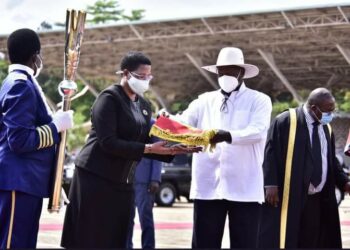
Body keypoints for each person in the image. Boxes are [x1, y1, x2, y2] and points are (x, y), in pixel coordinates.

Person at [61, 51, 201, 248]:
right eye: (141, 76)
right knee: (90, 235)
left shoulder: (143, 105)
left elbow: (145, 140)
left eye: (148, 76)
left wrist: (174, 148)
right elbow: (108, 142)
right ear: (125, 74)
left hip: (123, 179)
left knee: (119, 235)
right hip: (95, 176)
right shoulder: (108, 99)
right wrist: (150, 147)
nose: (145, 81)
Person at [168, 47, 272, 248]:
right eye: (222, 71)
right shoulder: (204, 100)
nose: (226, 75)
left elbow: (257, 131)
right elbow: (183, 124)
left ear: (241, 72)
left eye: (231, 70)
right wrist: (164, 122)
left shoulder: (258, 100)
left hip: (244, 187)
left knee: (245, 243)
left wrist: (227, 135)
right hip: (208, 186)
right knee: (204, 243)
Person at [0, 28, 74, 248]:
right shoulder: (21, 85)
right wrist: (55, 126)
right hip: (18, 180)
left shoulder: (17, 82)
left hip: (25, 181)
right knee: (13, 244)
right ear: (35, 56)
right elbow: (19, 139)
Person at [258, 88, 350, 248]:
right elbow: (271, 152)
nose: (331, 114)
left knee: (312, 240)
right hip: (291, 196)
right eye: (328, 110)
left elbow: (330, 160)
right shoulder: (286, 121)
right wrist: (270, 184)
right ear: (314, 108)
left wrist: (344, 182)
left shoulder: (326, 128)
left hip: (316, 199)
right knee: (289, 239)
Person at [126, 136, 162, 249]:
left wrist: (155, 178)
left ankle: (148, 247)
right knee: (126, 218)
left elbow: (158, 153)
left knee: (145, 218)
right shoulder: (126, 120)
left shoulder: (152, 124)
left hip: (145, 180)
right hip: (126, 179)